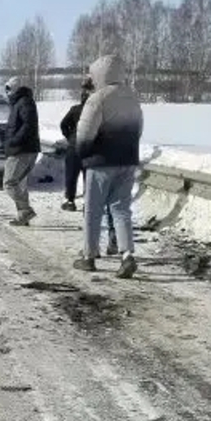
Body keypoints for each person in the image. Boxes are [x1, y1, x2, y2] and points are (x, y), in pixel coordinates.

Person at [73, 55, 143, 278]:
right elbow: (138, 130)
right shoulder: (133, 98)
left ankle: (89, 256)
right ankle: (127, 256)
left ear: (99, 75)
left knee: (93, 210)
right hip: (127, 160)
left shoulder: (97, 99)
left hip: (101, 162)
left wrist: (82, 154)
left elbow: (85, 134)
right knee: (121, 209)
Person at [0, 75, 41, 225]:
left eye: (8, 89)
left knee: (9, 183)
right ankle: (22, 216)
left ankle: (25, 210)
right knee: (20, 183)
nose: (7, 92)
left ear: (15, 88)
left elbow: (28, 125)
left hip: (21, 150)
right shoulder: (21, 102)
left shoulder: (23, 102)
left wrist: (13, 141)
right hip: (24, 149)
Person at [58, 78, 94, 211]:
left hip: (74, 147)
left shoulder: (75, 109)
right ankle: (88, 203)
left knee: (71, 175)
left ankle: (70, 201)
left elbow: (63, 124)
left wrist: (70, 136)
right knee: (89, 176)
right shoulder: (97, 112)